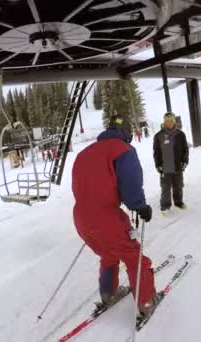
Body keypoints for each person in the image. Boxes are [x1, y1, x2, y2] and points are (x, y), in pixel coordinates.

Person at [71, 116, 158, 317]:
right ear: (125, 134)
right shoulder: (122, 150)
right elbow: (130, 183)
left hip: (81, 218)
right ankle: (146, 301)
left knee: (109, 254)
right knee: (133, 256)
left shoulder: (84, 153)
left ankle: (108, 293)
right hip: (106, 217)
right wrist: (140, 206)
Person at [153, 112, 189, 213]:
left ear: (174, 121)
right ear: (164, 122)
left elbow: (185, 150)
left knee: (178, 185)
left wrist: (185, 161)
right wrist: (158, 165)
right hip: (165, 167)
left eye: (171, 121)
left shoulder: (180, 134)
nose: (169, 123)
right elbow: (156, 152)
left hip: (178, 166)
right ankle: (165, 206)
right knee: (166, 188)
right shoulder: (158, 136)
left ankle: (178, 202)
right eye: (167, 121)